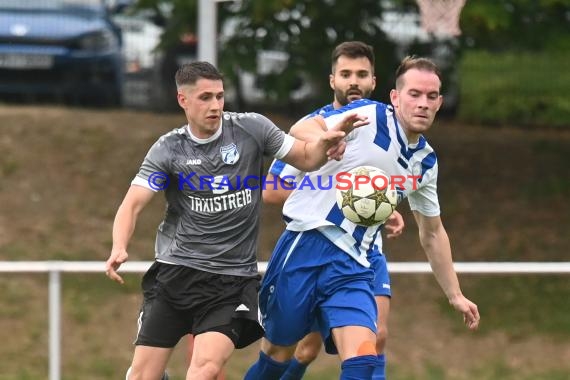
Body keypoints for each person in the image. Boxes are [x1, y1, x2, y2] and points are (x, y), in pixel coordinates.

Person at [104, 61, 368, 380]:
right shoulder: (169, 149)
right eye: (205, 98)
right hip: (175, 275)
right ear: (182, 100)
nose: (215, 105)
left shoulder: (251, 129)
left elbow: (306, 157)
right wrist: (119, 246)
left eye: (219, 96)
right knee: (141, 377)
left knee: (204, 370)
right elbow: (132, 204)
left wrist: (324, 145)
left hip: (230, 282)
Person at [244, 56, 480, 380]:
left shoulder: (425, 162)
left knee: (364, 357)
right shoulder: (368, 116)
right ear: (395, 97)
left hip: (354, 264)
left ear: (440, 102)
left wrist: (455, 294)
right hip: (306, 247)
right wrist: (328, 136)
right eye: (414, 94)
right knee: (278, 355)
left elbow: (433, 233)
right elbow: (301, 128)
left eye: (431, 96)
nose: (423, 103)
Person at [262, 41, 403, 380]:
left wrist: (382, 205)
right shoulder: (316, 126)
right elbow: (272, 191)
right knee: (301, 349)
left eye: (361, 74)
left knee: (376, 338)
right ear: (332, 80)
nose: (353, 81)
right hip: (318, 247)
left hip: (367, 251)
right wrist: (345, 196)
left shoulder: (385, 124)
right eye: (345, 74)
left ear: (373, 81)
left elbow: (382, 181)